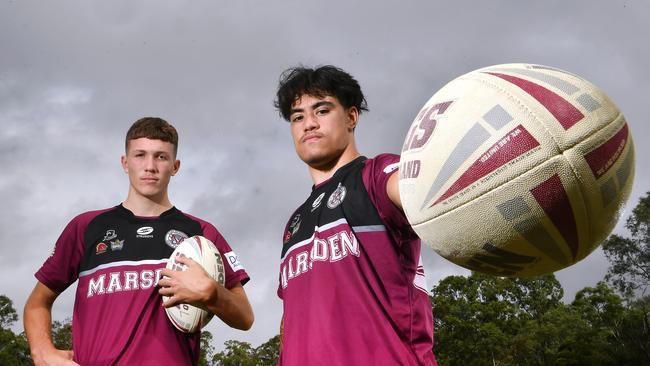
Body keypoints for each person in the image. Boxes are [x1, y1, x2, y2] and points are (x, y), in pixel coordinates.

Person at [23, 117, 254, 366]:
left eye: (161, 157)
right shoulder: (87, 227)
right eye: (140, 155)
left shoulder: (200, 233)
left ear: (175, 166)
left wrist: (212, 294)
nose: (150, 166)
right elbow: (37, 303)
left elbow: (245, 317)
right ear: (125, 162)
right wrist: (42, 351)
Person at [274, 65, 437, 365]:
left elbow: (423, 191)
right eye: (298, 117)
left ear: (351, 116)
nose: (308, 124)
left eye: (321, 111)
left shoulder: (376, 176)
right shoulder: (293, 224)